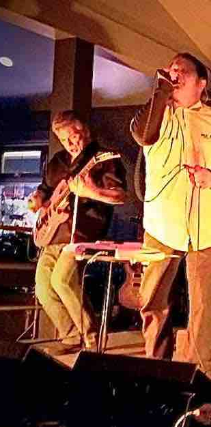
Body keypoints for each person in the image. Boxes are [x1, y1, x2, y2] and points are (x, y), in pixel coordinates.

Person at [130, 53, 211, 368]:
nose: (175, 72)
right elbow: (142, 135)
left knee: (203, 305)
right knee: (154, 300)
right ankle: (157, 367)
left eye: (182, 70)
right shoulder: (157, 114)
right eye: (171, 68)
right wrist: (161, 90)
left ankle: (198, 369)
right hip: (161, 226)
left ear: (201, 83)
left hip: (206, 229)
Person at [28, 110, 127, 354]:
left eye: (73, 136)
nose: (69, 144)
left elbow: (120, 196)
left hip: (82, 234)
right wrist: (38, 199)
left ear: (85, 131)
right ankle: (71, 335)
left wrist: (90, 192)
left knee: (61, 280)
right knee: (42, 287)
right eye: (64, 140)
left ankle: (91, 337)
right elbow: (45, 189)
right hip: (53, 234)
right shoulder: (58, 161)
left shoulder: (104, 159)